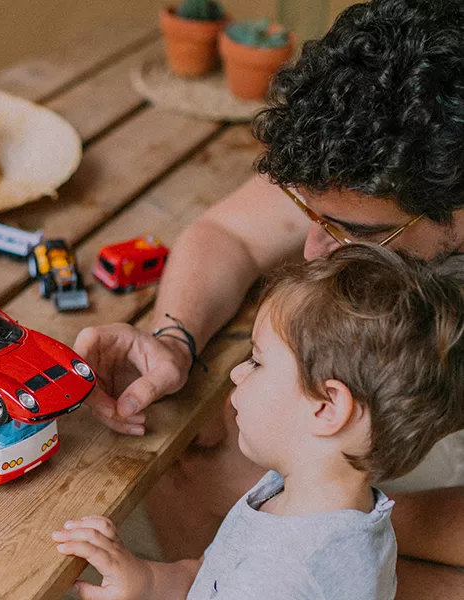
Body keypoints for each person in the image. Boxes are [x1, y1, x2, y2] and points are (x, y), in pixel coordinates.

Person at [73, 0, 464, 596]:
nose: (311, 249)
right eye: (309, 212)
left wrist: (311, 505)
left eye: (354, 233)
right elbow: (225, 234)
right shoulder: (374, 157)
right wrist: (174, 341)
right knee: (201, 445)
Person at [55, 245, 464, 599]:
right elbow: (212, 579)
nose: (236, 374)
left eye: (257, 361)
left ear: (327, 406)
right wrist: (145, 581)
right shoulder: (290, 496)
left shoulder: (292, 574)